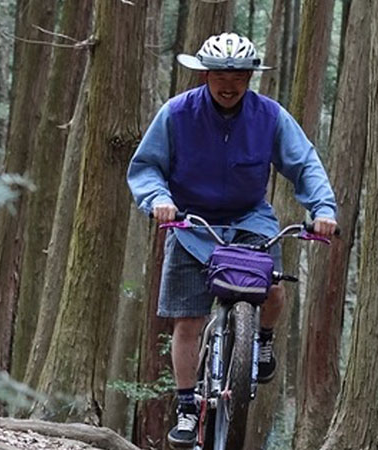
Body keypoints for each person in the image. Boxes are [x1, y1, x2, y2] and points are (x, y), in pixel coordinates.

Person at [127, 32, 337, 448]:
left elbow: (304, 163)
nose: (229, 84)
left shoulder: (270, 116)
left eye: (238, 75)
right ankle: (188, 406)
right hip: (190, 221)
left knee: (273, 288)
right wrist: (159, 201)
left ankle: (260, 342)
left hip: (249, 218)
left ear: (250, 76)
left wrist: (323, 210)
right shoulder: (177, 114)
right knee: (188, 319)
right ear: (205, 74)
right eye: (220, 74)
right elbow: (147, 166)